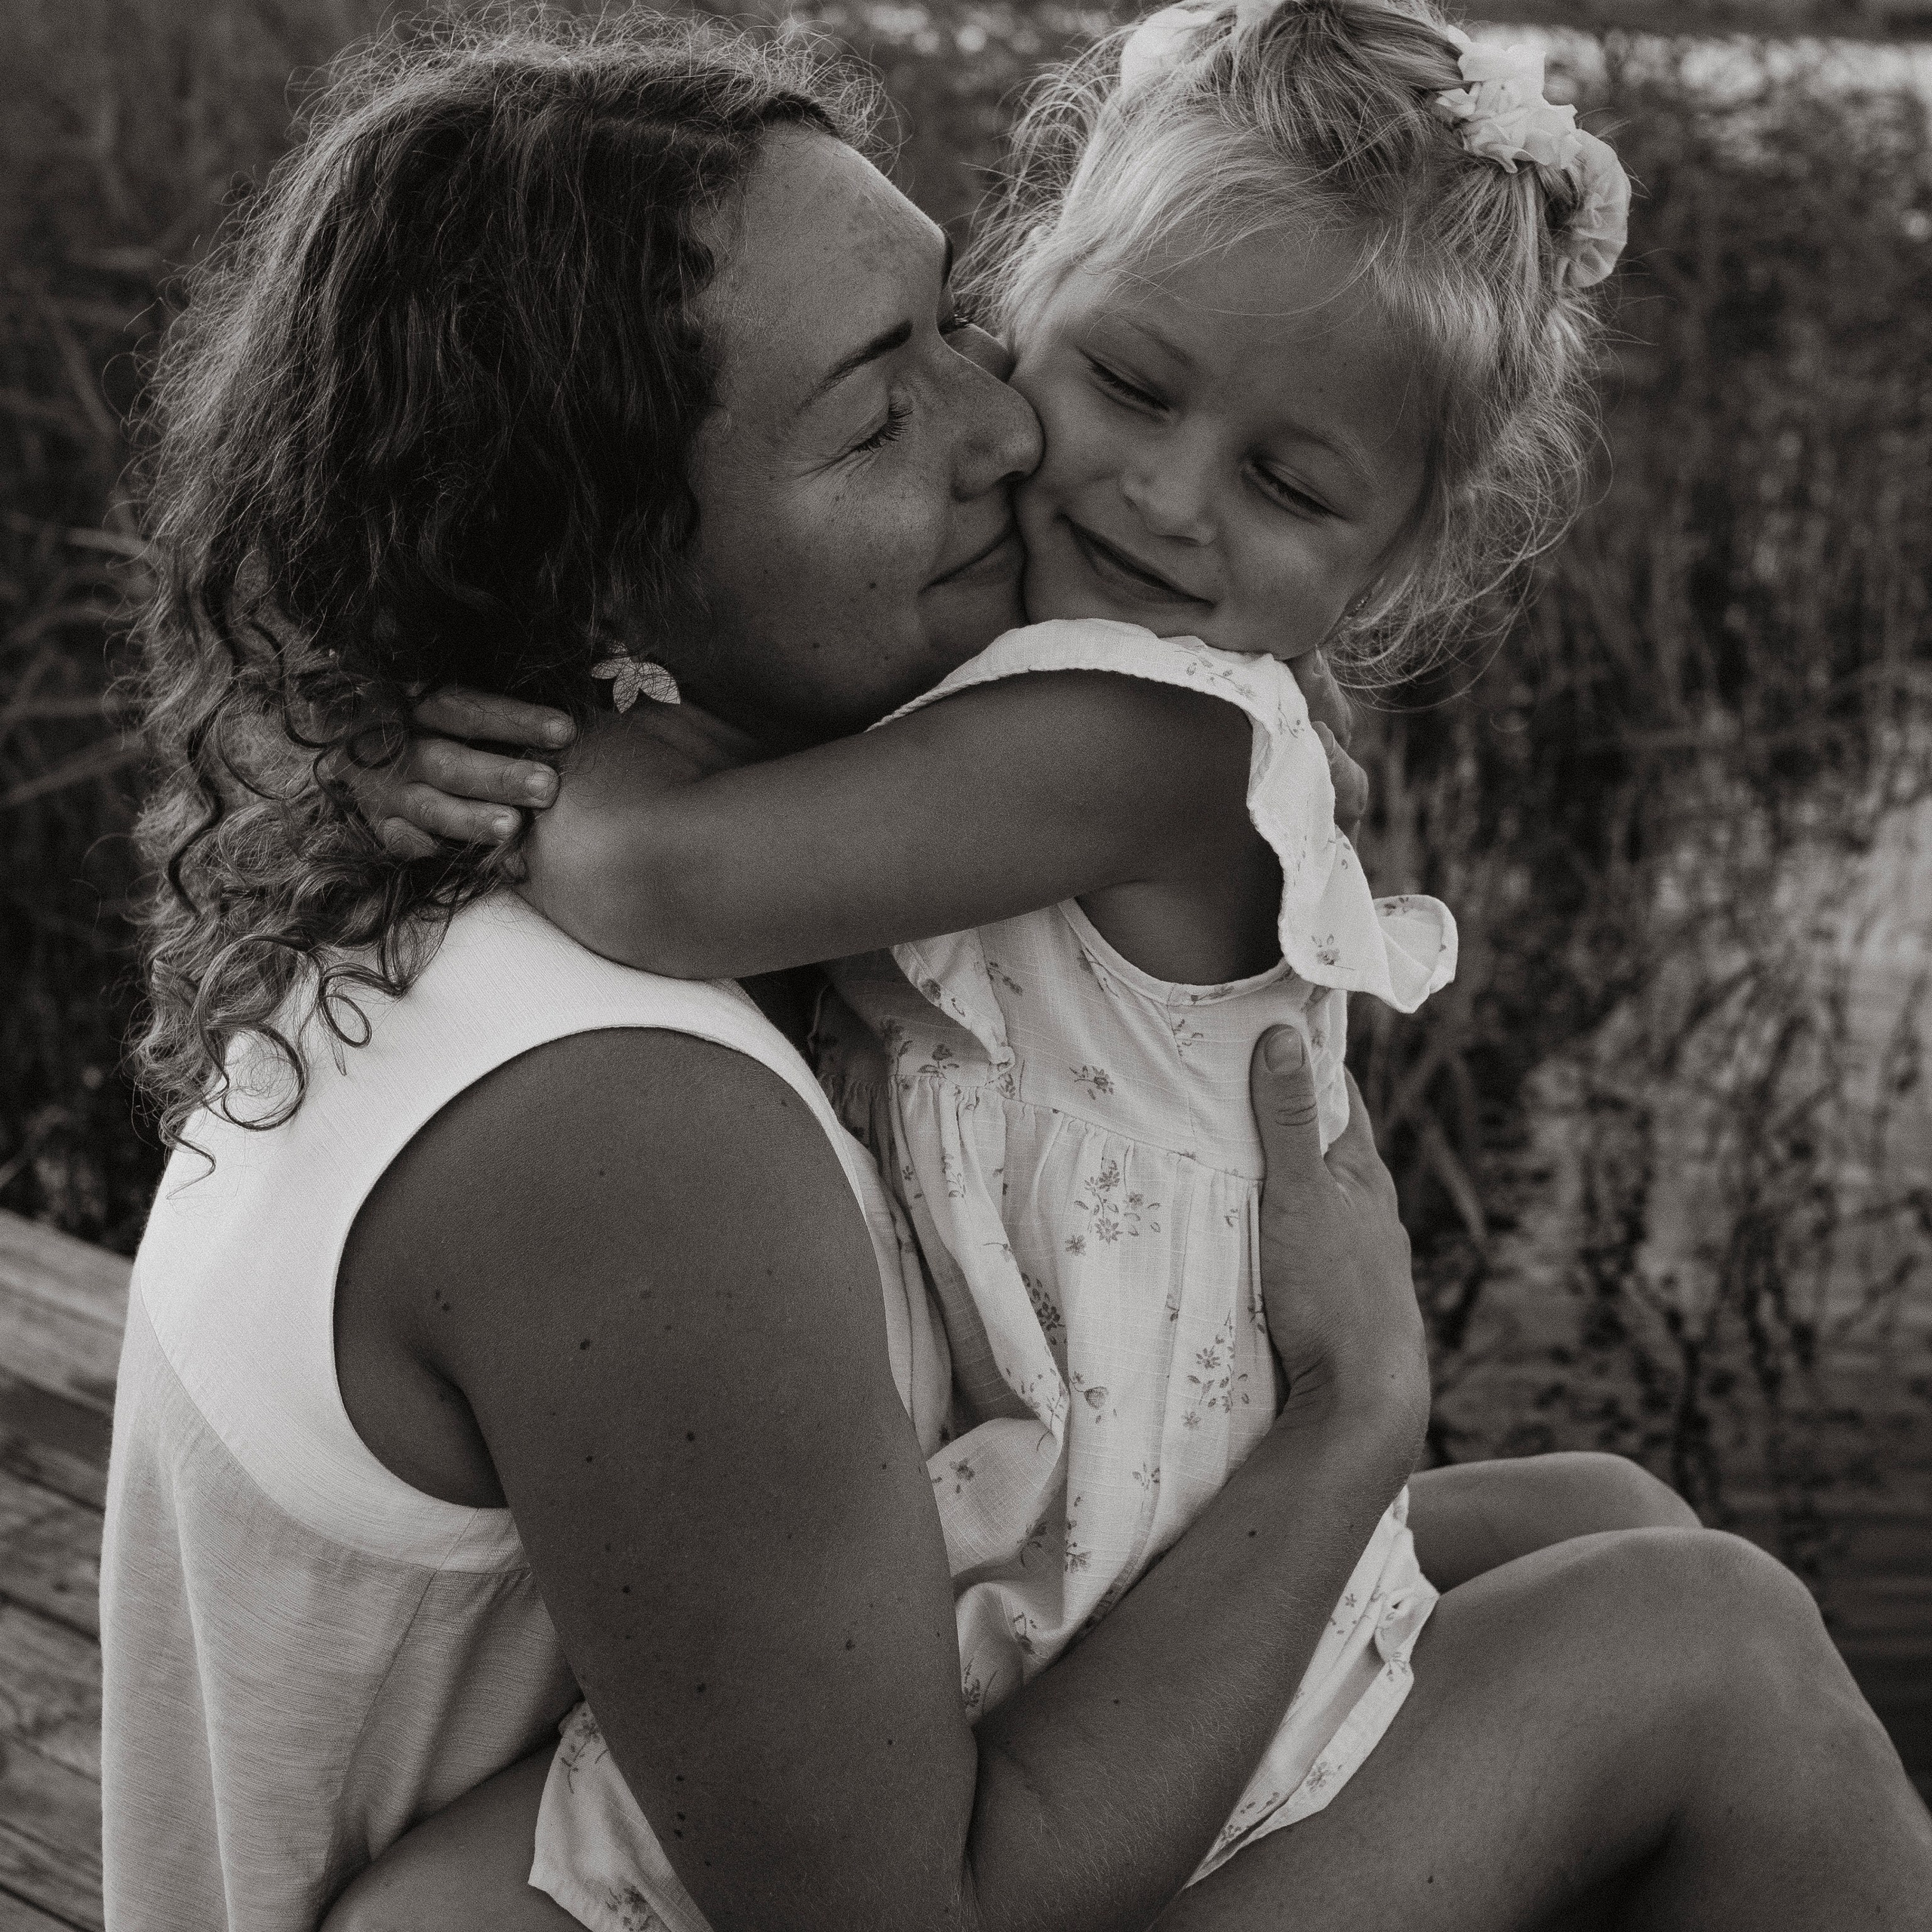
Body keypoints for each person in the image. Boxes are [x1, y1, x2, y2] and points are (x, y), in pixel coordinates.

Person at [106, 16, 1931, 1932]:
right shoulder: (621, 1109)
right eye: (883, 404)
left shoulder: (464, 845)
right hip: (909, 1815)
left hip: (945, 1621)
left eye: (949, 327)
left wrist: (399, 707)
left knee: (1613, 1519)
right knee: (1710, 1636)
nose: (1019, 440)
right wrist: (1356, 1404)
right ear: (596, 561)